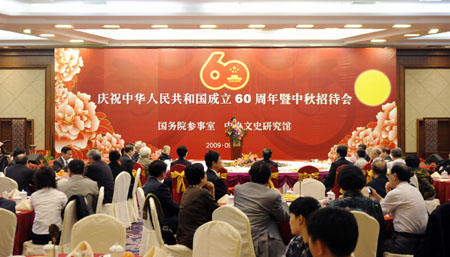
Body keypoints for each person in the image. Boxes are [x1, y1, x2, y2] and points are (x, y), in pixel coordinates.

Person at [369, 164, 428, 255]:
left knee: (373, 245)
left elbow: (378, 212)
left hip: (404, 243)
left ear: (395, 176)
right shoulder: (414, 189)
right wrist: (379, 195)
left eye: (389, 175)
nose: (388, 177)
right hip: (422, 241)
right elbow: (392, 204)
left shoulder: (397, 192)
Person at [234, 161, 290, 257]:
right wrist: (281, 197)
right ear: (269, 178)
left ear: (250, 176)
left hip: (240, 238)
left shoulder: (238, 190)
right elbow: (284, 217)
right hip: (262, 243)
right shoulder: (273, 196)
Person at [329, 165, 384, 257]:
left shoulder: (334, 206)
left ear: (340, 183)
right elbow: (381, 231)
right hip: (371, 252)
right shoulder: (374, 204)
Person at [177, 163, 218, 249]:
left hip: (183, 236)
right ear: (201, 178)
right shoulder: (202, 193)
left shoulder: (187, 191)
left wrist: (212, 191)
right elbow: (217, 211)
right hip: (195, 238)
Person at [30, 166, 67, 244]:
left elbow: (32, 208)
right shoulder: (61, 195)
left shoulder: (34, 196)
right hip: (57, 235)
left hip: (38, 235)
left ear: (36, 181)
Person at [142, 160, 179, 233]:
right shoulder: (160, 187)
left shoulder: (146, 184)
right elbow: (172, 206)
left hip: (151, 217)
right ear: (162, 173)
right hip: (162, 220)